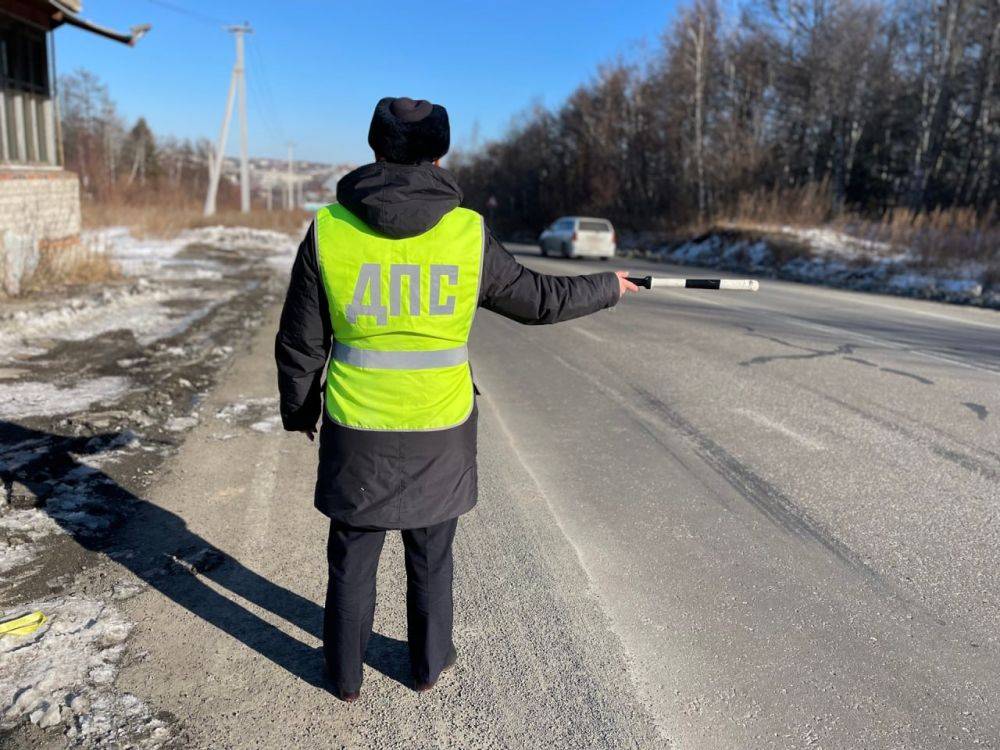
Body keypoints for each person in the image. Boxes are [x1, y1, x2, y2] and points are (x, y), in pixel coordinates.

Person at [275, 96, 637, 702]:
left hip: (356, 425)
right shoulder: (467, 231)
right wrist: (608, 286)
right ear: (440, 155)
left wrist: (299, 409)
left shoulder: (329, 229)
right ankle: (427, 665)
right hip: (440, 425)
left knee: (353, 553)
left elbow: (299, 339)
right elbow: (538, 299)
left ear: (373, 149)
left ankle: (342, 675)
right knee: (431, 552)